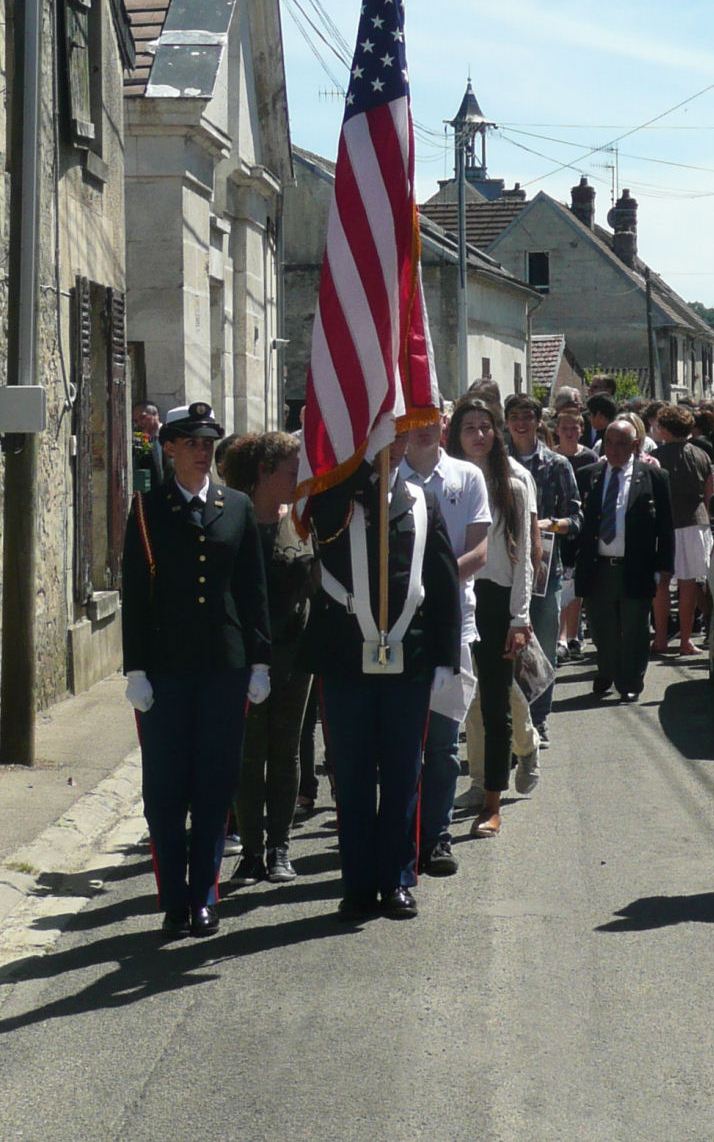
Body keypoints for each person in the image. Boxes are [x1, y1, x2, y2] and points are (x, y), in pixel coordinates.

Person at [121, 401, 271, 939]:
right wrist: (134, 668)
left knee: (213, 785)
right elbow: (136, 596)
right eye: (192, 443)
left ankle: (205, 894)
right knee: (165, 790)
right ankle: (174, 899)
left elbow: (253, 590)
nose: (203, 453)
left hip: (224, 670)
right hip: (165, 673)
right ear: (169, 448)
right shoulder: (147, 509)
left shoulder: (235, 507)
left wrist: (259, 659)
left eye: (209, 444)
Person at [300, 437, 461, 921]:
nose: (389, 446)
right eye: (378, 436)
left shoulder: (421, 500)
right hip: (346, 660)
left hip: (407, 662)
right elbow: (318, 522)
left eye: (396, 436)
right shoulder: (333, 498)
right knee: (350, 779)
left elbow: (442, 579)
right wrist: (357, 475)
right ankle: (357, 884)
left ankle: (396, 880)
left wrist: (443, 659)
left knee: (401, 774)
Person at [219, 432, 315, 886]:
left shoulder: (300, 521)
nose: (299, 480)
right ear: (263, 471)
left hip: (293, 653)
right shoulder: (231, 519)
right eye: (291, 472)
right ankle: (251, 851)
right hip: (244, 655)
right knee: (247, 752)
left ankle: (279, 847)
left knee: (286, 748)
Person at [400, 420, 491, 876]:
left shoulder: (467, 476)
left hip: (452, 628)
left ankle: (435, 837)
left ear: (443, 425)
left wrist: (424, 584)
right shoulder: (390, 478)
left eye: (429, 420)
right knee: (398, 746)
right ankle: (399, 838)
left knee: (441, 745)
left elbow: (478, 554)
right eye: (411, 422)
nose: (421, 431)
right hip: (395, 631)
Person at [446, 397, 533, 838]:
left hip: (497, 599)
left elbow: (523, 561)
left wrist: (520, 617)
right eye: (468, 428)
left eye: (485, 427)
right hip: (452, 594)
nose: (478, 435)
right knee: (452, 702)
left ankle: (493, 802)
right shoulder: (442, 482)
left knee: (496, 705)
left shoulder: (512, 486)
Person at [573, 418, 674, 702]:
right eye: (610, 443)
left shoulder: (654, 478)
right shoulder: (589, 475)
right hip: (598, 567)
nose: (615, 450)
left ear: (635, 446)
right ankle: (606, 671)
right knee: (601, 628)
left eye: (622, 444)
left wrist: (665, 567)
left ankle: (630, 681)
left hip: (636, 567)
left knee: (634, 629)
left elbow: (666, 527)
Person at [504, 393, 582, 746]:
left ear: (539, 422)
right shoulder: (495, 463)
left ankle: (539, 719)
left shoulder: (556, 465)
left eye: (527, 416)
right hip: (502, 570)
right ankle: (507, 719)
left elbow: (577, 518)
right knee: (504, 647)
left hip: (545, 570)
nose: (521, 423)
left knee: (544, 646)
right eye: (514, 416)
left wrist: (549, 525)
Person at [652, 404, 714, 656]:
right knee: (689, 585)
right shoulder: (701, 455)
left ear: (665, 430)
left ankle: (660, 639)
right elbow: (709, 493)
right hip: (695, 522)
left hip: (665, 525)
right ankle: (686, 641)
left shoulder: (657, 457)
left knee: (662, 584)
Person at [554, 409, 598, 659]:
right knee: (561, 583)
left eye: (575, 427)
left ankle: (573, 636)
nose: (570, 432)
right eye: (565, 428)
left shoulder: (591, 457)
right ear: (557, 430)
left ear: (582, 429)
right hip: (556, 528)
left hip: (582, 530)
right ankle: (560, 637)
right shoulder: (552, 458)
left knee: (576, 585)